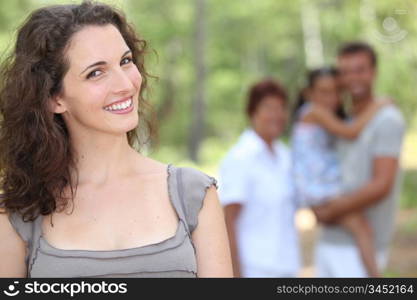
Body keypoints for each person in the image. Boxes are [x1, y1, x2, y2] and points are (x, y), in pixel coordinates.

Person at [0, 1, 232, 278]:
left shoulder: (194, 195)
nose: (125, 84)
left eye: (125, 61)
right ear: (54, 98)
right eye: (96, 72)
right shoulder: (18, 212)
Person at [312, 42, 405, 277]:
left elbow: (381, 185)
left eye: (360, 70)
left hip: (359, 251)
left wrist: (330, 211)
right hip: (328, 241)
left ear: (373, 72)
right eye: (345, 71)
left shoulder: (387, 120)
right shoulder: (339, 119)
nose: (352, 78)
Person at [291, 67, 388, 277]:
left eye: (336, 92)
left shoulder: (318, 113)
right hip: (319, 188)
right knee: (361, 228)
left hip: (320, 188)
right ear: (308, 93)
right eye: (324, 92)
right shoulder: (314, 112)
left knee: (359, 227)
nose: (332, 98)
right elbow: (350, 132)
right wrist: (377, 107)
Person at [219, 79, 300, 277]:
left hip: (287, 266)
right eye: (269, 108)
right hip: (255, 270)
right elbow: (227, 222)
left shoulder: (285, 156)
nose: (277, 115)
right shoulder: (241, 158)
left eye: (281, 108)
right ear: (253, 112)